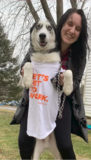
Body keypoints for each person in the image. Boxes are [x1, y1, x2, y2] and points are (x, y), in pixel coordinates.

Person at [10, 8, 89, 159]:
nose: (72, 30)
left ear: (80, 33)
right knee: (24, 141)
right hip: (36, 96)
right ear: (62, 25)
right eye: (70, 24)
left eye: (77, 28)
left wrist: (66, 81)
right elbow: (26, 63)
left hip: (61, 101)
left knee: (65, 145)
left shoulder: (79, 54)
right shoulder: (43, 41)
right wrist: (24, 70)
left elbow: (76, 82)